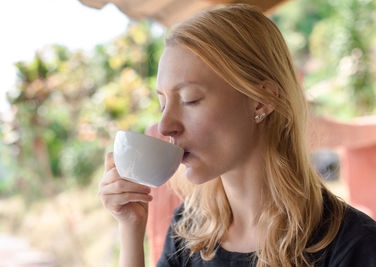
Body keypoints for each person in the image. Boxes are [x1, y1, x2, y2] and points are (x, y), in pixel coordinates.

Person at [98, 4, 376, 267]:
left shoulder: (351, 244)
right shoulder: (189, 229)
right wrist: (131, 228)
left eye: (190, 99)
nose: (165, 125)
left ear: (261, 100)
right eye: (162, 104)